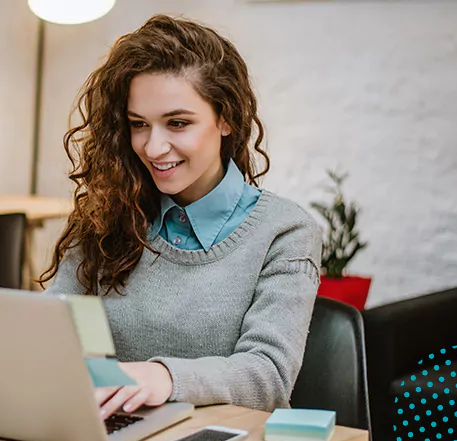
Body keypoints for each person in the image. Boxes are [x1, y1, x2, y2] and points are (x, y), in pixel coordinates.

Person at [40, 14, 323, 420]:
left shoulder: (285, 232)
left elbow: (268, 375)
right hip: (111, 437)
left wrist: (162, 377)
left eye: (177, 123)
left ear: (226, 118)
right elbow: (54, 329)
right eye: (139, 125)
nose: (154, 148)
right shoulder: (111, 214)